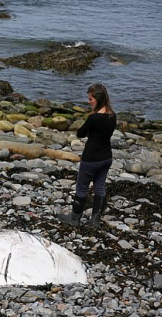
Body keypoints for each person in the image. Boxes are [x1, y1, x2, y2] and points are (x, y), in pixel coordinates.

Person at [59, 83, 117, 228]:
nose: (89, 101)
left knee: (82, 188)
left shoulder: (94, 118)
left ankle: (75, 219)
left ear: (98, 99)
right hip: (106, 158)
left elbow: (80, 133)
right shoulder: (112, 115)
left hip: (91, 158)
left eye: (91, 99)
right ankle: (95, 221)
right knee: (100, 187)